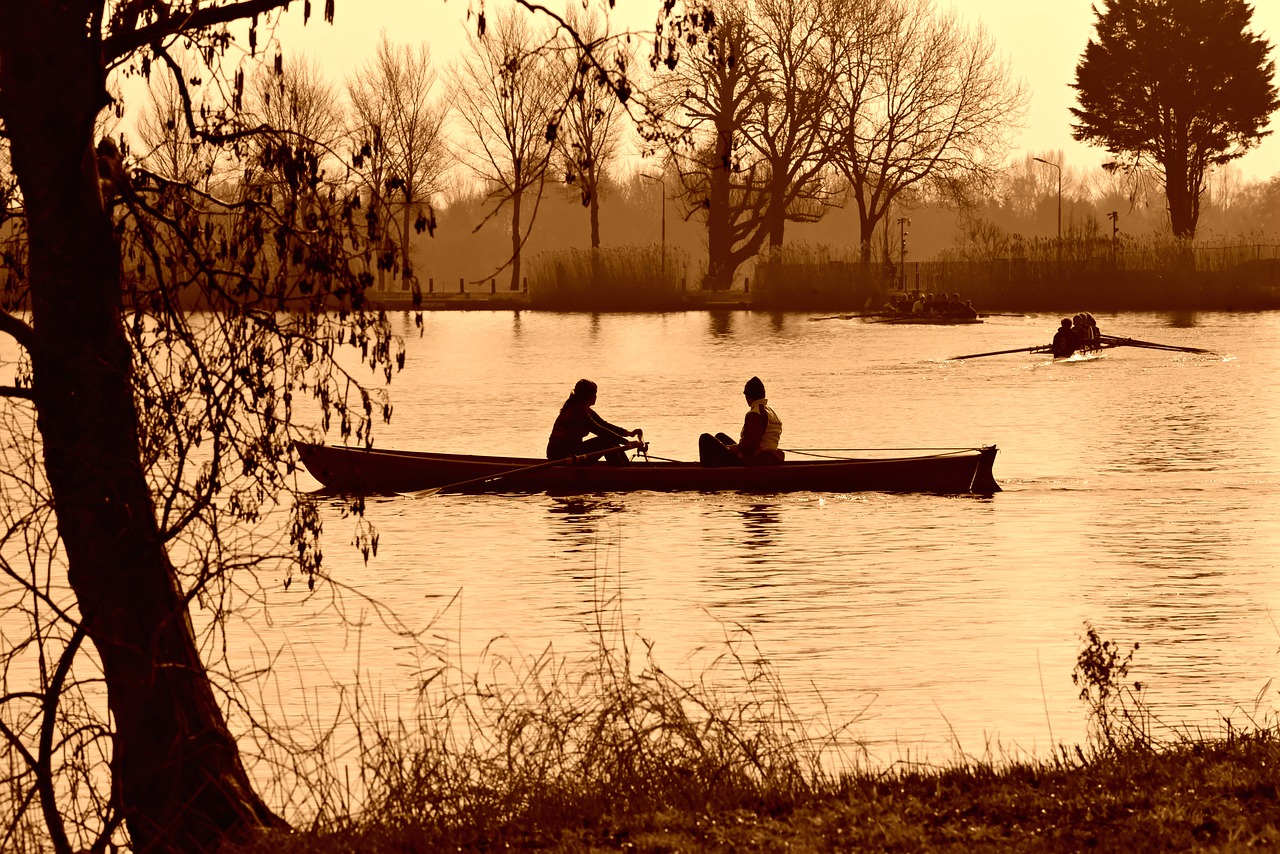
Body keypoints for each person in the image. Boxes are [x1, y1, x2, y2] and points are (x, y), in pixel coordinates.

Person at [546, 379, 643, 465]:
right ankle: (623, 473)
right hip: (562, 456)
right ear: (589, 396)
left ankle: (625, 468)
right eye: (595, 393)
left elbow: (603, 424)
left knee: (609, 439)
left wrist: (628, 433)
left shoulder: (583, 408)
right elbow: (599, 430)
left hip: (572, 451)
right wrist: (626, 442)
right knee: (606, 441)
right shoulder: (577, 411)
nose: (596, 396)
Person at [699, 376, 785, 467]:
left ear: (748, 396)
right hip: (765, 458)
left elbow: (750, 446)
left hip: (752, 462)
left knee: (705, 438)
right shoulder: (772, 412)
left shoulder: (755, 414)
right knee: (720, 436)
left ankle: (705, 473)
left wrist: (736, 448)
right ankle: (715, 467)